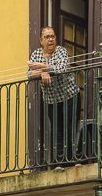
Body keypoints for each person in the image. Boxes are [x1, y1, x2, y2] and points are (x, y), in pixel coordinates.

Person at [28, 27, 80, 168]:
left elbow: (63, 68)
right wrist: (42, 73)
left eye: (52, 36)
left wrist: (42, 68)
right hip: (51, 99)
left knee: (70, 127)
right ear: (41, 40)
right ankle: (60, 162)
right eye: (47, 37)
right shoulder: (37, 53)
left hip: (69, 95)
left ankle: (72, 160)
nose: (50, 39)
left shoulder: (61, 51)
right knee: (58, 130)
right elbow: (29, 73)